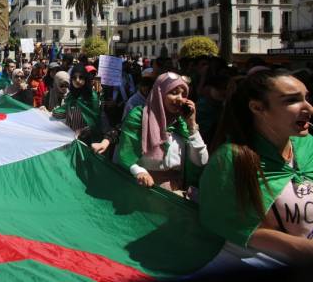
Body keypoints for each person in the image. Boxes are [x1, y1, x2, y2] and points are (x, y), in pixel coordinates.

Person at [200, 69, 313, 264]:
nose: (309, 107)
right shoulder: (230, 159)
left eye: (306, 97)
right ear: (257, 107)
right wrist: (298, 248)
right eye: (292, 100)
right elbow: (224, 222)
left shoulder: (308, 144)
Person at [116, 72, 208, 193]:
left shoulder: (181, 124)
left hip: (176, 192)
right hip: (145, 190)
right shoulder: (139, 117)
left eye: (183, 94)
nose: (180, 98)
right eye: (174, 93)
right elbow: (125, 154)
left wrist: (192, 126)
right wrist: (140, 172)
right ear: (160, 93)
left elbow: (201, 161)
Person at [53, 65, 101, 144]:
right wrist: (46, 112)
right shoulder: (71, 96)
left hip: (86, 142)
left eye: (81, 77)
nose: (77, 80)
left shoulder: (91, 97)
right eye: (74, 78)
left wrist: (83, 130)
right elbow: (62, 113)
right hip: (69, 140)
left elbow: (96, 123)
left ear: (86, 79)